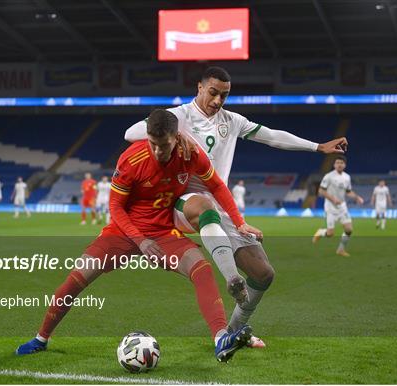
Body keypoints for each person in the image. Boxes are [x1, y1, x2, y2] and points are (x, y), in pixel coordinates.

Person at [124, 66, 347, 347]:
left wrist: (318, 147)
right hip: (182, 201)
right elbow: (130, 133)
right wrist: (179, 137)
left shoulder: (232, 121)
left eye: (224, 95)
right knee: (205, 207)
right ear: (200, 88)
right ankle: (231, 278)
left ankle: (232, 332)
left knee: (263, 274)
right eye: (213, 93)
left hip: (219, 203)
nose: (218, 100)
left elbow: (272, 136)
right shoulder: (178, 116)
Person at [16, 110, 261, 362]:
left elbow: (217, 186)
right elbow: (115, 208)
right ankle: (41, 338)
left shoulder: (191, 154)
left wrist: (239, 222)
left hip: (164, 232)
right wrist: (140, 240)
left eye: (163, 145)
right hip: (123, 232)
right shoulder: (132, 159)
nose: (157, 151)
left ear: (177, 137)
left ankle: (221, 339)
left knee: (202, 269)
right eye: (153, 144)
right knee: (77, 279)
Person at [312, 156, 364, 256]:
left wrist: (357, 197)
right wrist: (333, 199)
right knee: (330, 234)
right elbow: (321, 191)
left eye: (341, 163)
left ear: (345, 165)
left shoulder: (347, 177)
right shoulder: (328, 176)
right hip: (330, 207)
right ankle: (321, 232)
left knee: (349, 230)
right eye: (337, 163)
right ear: (334, 165)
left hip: (342, 207)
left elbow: (348, 192)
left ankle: (340, 250)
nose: (339, 164)